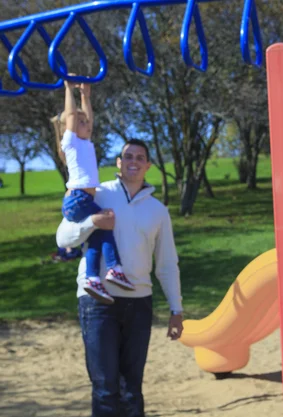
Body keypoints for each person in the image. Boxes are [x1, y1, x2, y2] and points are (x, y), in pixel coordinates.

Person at [56, 139, 184, 417]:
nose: (133, 162)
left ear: (148, 165)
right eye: (128, 157)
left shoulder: (158, 211)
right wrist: (93, 222)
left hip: (139, 303)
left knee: (132, 388)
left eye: (140, 158)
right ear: (119, 162)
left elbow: (166, 264)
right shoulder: (98, 194)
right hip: (97, 304)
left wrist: (176, 309)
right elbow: (63, 238)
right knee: (104, 386)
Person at [53, 78, 134, 304]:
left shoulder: (86, 141)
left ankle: (92, 278)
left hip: (81, 199)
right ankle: (113, 268)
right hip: (78, 199)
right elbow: (70, 116)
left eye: (85, 121)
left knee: (98, 234)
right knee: (105, 224)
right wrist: (68, 89)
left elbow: (89, 119)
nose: (85, 124)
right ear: (68, 128)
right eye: (80, 122)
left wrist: (86, 97)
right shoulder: (70, 143)